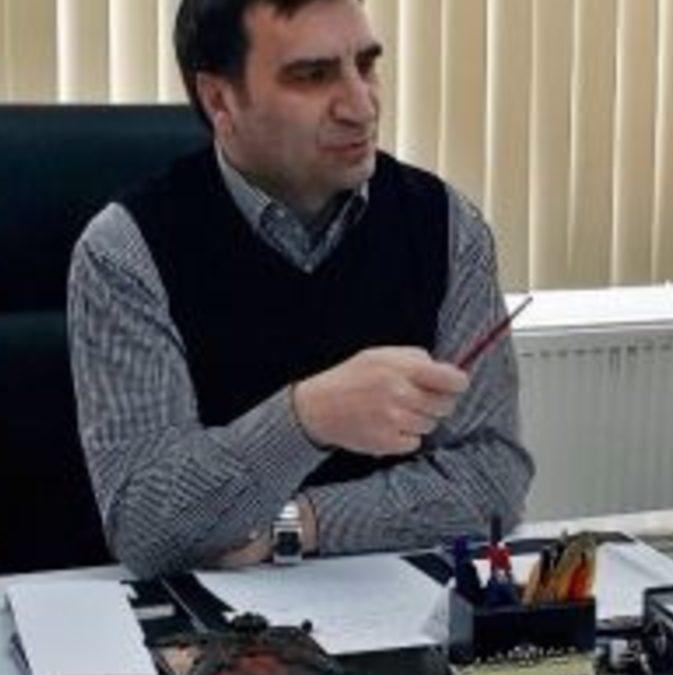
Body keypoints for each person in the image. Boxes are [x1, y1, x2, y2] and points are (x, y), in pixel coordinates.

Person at [67, 0, 533, 578]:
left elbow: (493, 474)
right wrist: (308, 418)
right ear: (219, 100)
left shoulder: (446, 225)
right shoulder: (125, 250)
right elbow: (147, 528)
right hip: (197, 611)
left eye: (366, 66)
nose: (362, 107)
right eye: (313, 76)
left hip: (390, 595)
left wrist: (298, 524)